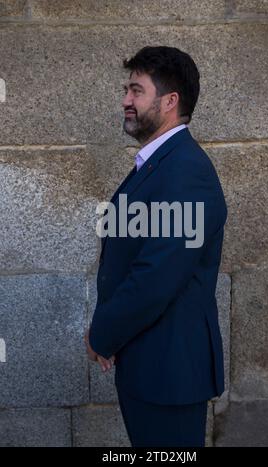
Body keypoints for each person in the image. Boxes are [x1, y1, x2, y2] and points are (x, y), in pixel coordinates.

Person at [84, 46, 227, 447]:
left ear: (169, 101)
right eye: (127, 90)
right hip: (147, 363)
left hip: (170, 372)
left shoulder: (186, 172)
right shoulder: (159, 164)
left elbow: (155, 277)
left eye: (136, 90)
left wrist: (102, 333)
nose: (125, 101)